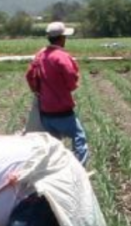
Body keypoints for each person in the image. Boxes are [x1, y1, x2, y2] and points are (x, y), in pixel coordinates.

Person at [25, 22, 89, 166]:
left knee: (54, 146)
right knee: (79, 138)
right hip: (63, 109)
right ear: (61, 38)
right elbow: (71, 78)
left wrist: (37, 90)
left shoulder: (40, 55)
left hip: (45, 110)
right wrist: (70, 87)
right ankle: (79, 171)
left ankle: (56, 174)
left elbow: (29, 75)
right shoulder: (61, 56)